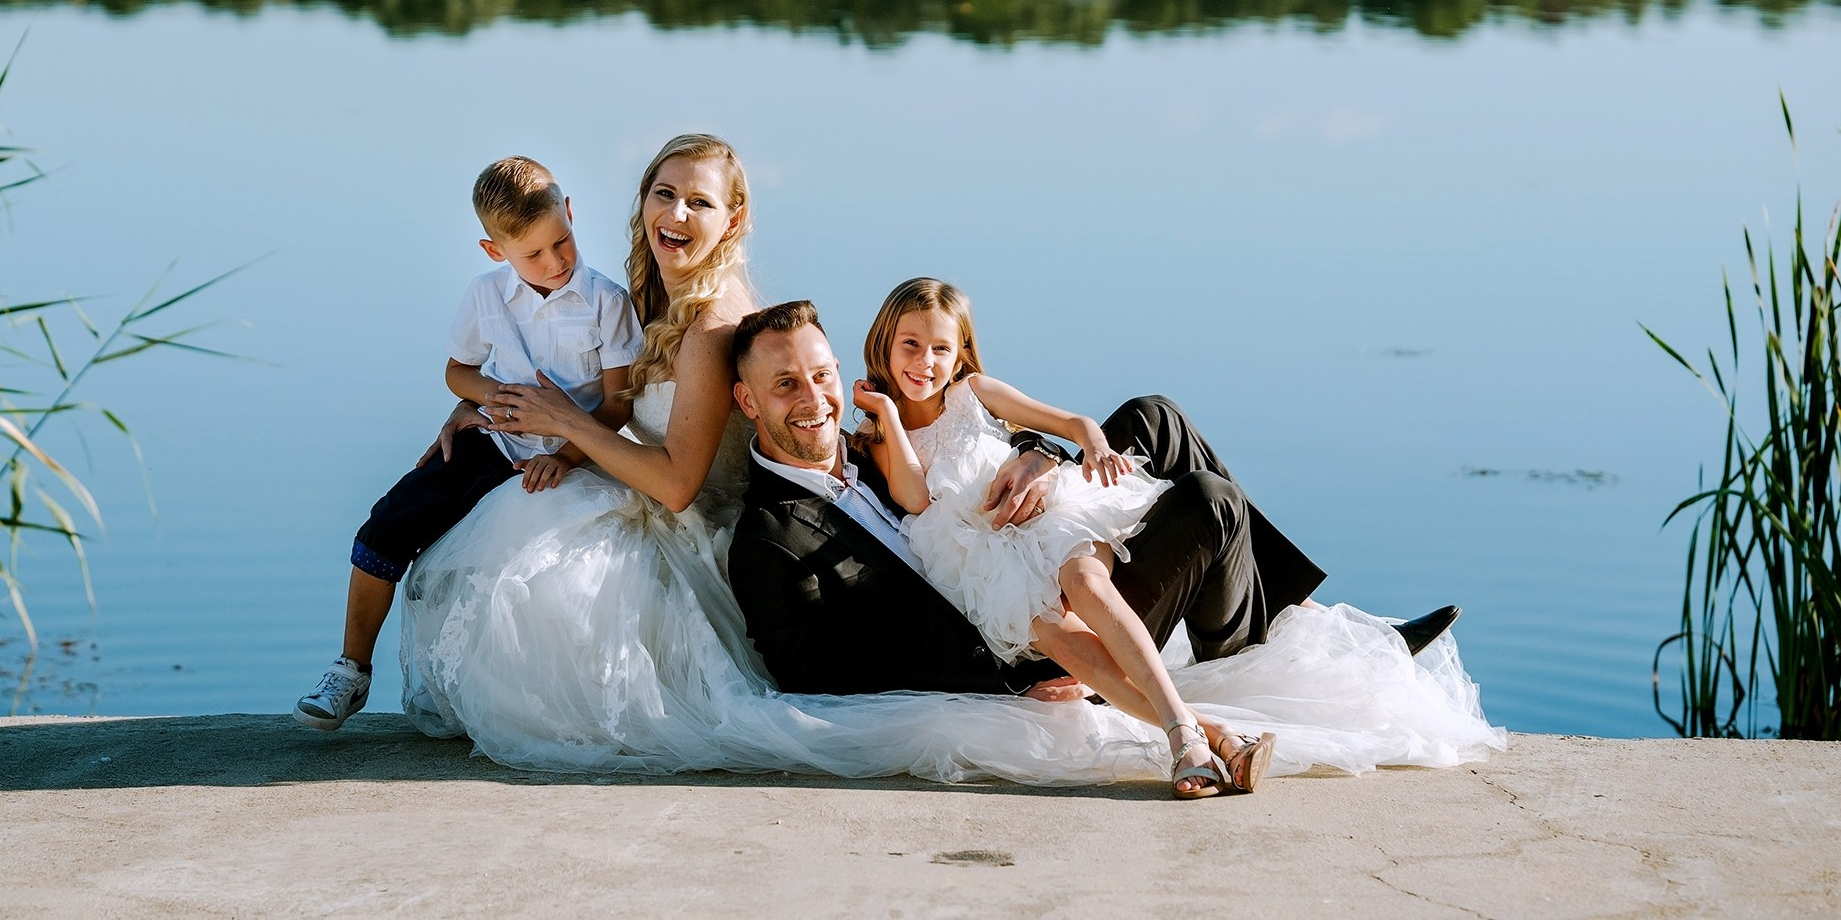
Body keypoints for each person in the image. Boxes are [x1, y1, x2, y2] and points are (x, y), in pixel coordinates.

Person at [727, 299, 1504, 782]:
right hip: (1020, 643)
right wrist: (998, 691)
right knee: (1208, 502)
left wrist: (1042, 456)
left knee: (1154, 417)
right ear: (747, 400)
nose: (813, 397)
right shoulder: (770, 538)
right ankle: (1265, 642)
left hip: (1015, 540)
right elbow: (822, 680)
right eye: (786, 384)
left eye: (820, 375)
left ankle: (1289, 615)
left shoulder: (863, 436)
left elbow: (969, 451)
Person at [851, 277, 1268, 797]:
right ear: (884, 344)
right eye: (910, 344)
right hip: (983, 563)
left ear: (960, 355)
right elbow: (914, 497)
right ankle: (1200, 733)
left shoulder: (974, 391)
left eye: (941, 348)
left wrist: (1094, 445)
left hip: (1049, 520)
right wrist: (889, 414)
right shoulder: (877, 437)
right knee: (1067, 646)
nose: (924, 361)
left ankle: (1187, 735)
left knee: (1085, 583)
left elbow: (1072, 422)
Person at [292, 156, 642, 730]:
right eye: (533, 253)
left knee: (520, 572)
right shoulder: (485, 295)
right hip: (494, 443)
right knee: (385, 527)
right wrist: (491, 394)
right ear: (494, 251)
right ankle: (351, 671)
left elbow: (618, 403)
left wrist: (564, 455)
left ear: (570, 213)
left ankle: (518, 701)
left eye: (561, 241)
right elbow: (458, 371)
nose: (555, 262)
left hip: (574, 453)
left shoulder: (607, 301)